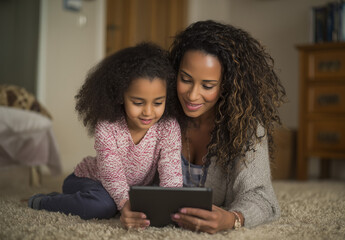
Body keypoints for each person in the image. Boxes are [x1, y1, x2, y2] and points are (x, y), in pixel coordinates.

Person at [28, 43, 183, 228]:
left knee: (152, 203)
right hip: (90, 180)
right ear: (120, 96)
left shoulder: (169, 127)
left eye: (158, 102)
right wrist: (125, 204)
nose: (148, 112)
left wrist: (168, 207)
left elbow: (171, 173)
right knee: (103, 207)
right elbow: (112, 174)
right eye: (138, 102)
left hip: (131, 189)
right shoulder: (108, 126)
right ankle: (43, 201)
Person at [167, 20, 286, 233]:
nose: (192, 95)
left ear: (226, 86)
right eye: (185, 79)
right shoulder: (160, 112)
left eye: (207, 85)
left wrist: (233, 219)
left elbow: (263, 199)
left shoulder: (246, 125)